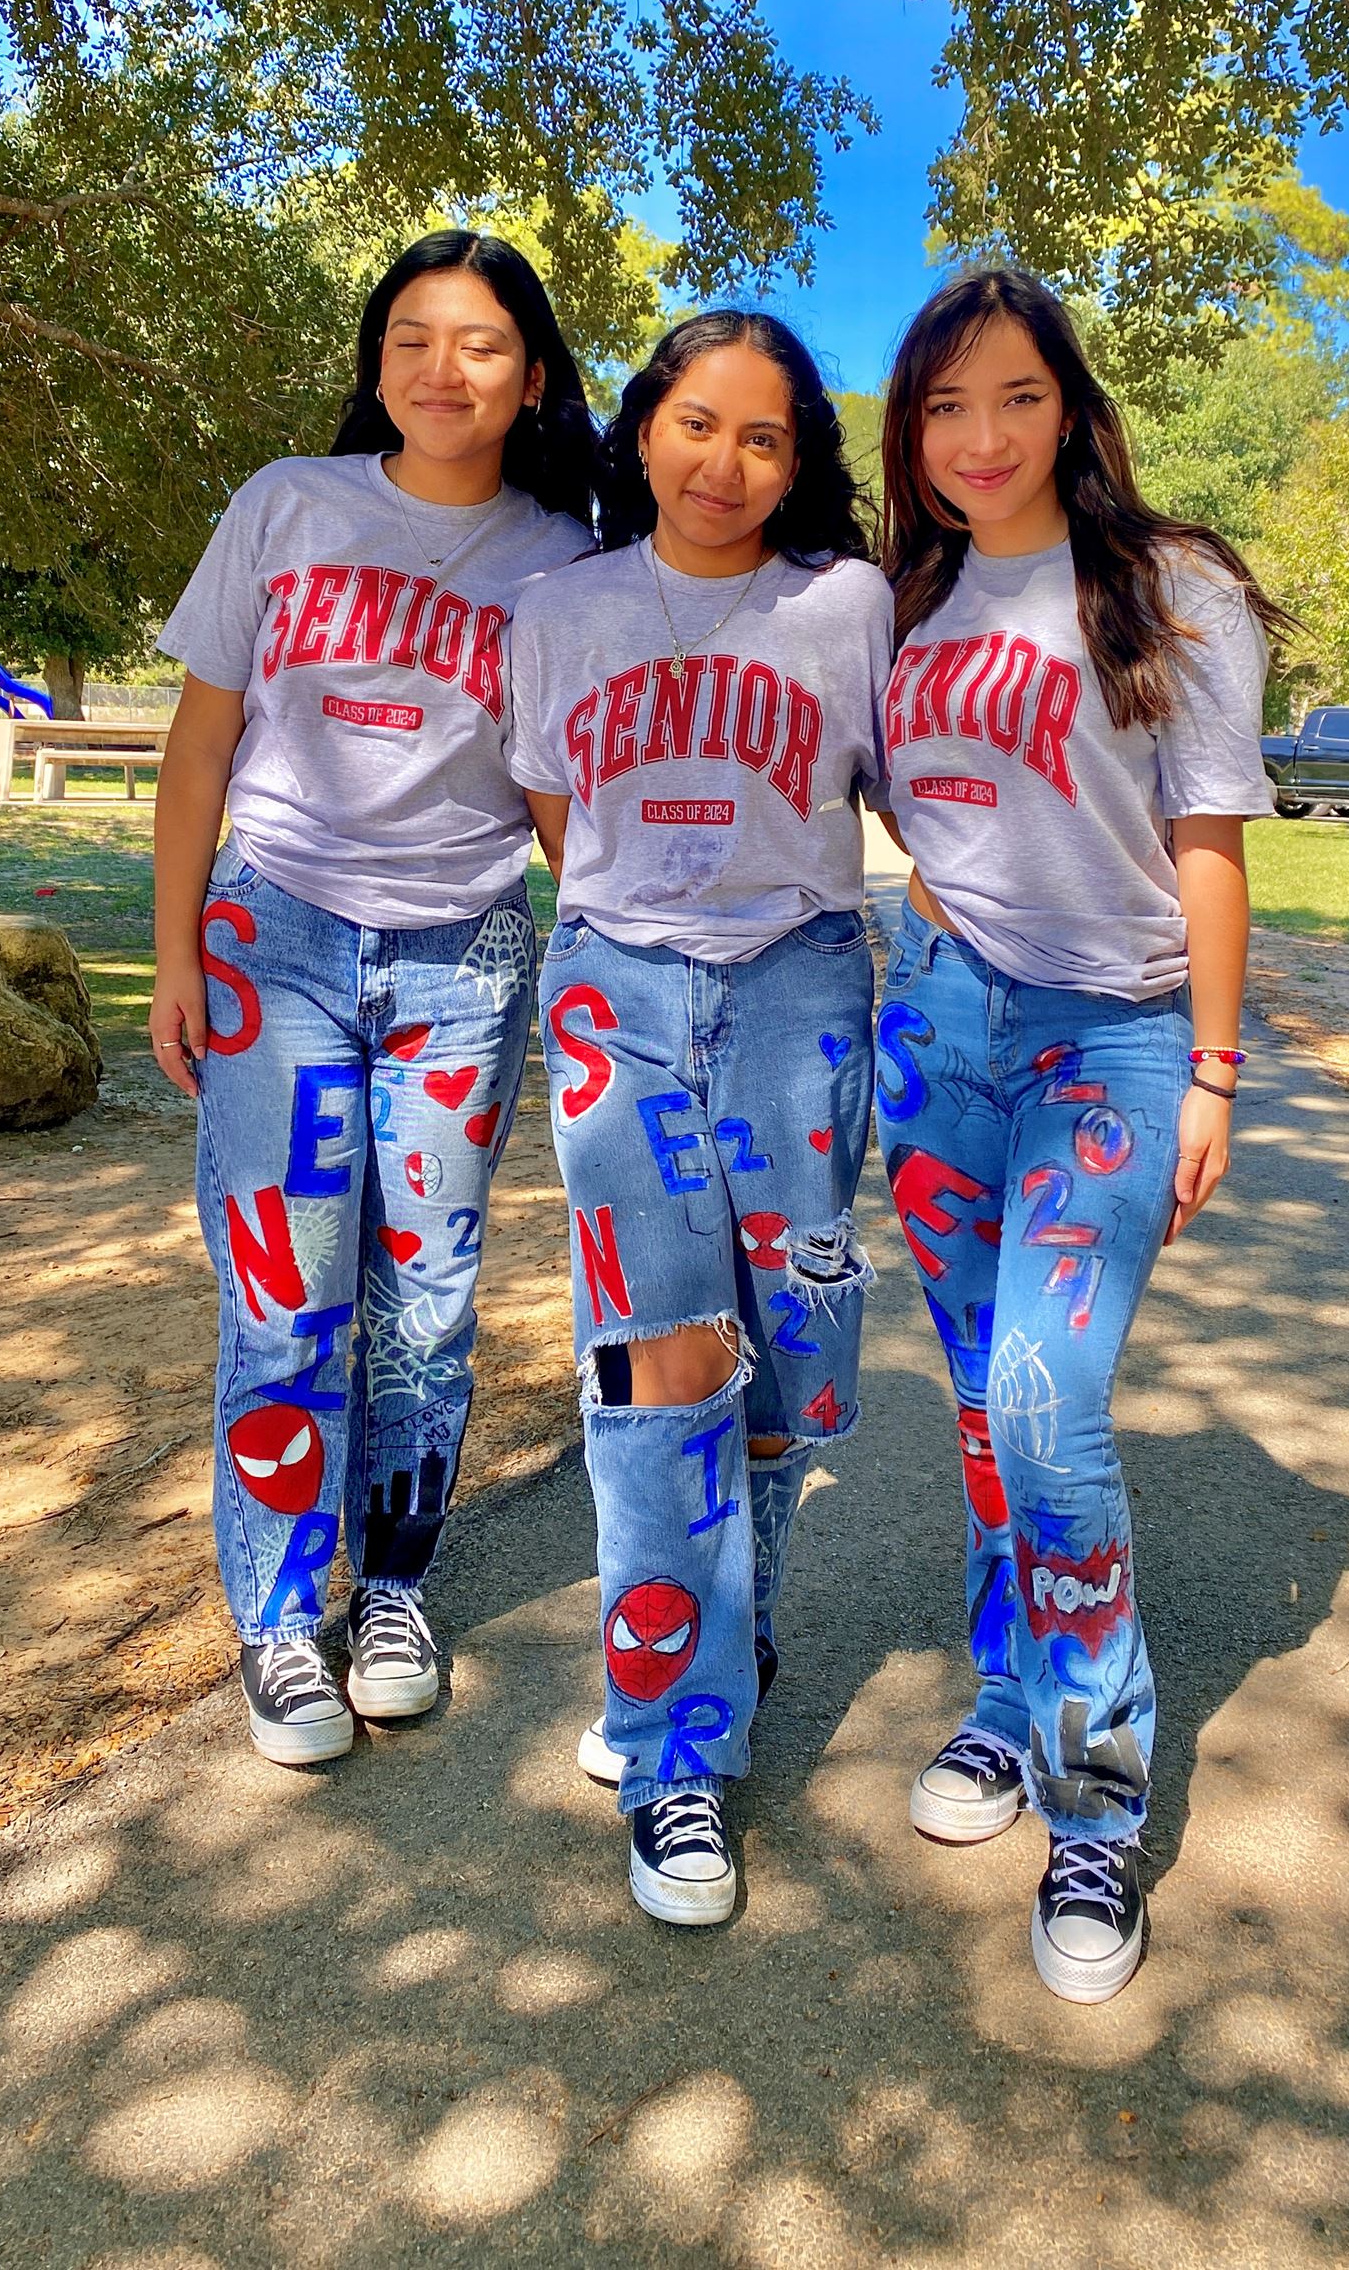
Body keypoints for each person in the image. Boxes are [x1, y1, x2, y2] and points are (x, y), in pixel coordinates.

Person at [873, 268, 1288, 2003]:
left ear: (1071, 407)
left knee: (1047, 1396)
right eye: (944, 407)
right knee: (981, 1395)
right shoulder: (894, 602)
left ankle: (1097, 1799)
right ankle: (1003, 1694)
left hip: (1109, 1046)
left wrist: (1208, 1066)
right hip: (939, 1018)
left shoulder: (1168, 586)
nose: (980, 438)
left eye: (1016, 399)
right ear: (909, 433)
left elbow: (1205, 837)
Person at [149, 231, 597, 1767]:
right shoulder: (288, 505)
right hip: (270, 935)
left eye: (476, 343)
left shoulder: (563, 558)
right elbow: (199, 746)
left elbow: (557, 793)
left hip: (464, 952)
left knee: (429, 1299)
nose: (440, 368)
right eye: (410, 338)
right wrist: (172, 953)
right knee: (286, 1298)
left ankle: (393, 1584)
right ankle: (279, 1619)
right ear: (375, 362)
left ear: (531, 377)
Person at [510, 310, 890, 1926]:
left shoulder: (848, 606)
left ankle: (715, 1625)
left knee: (784, 1364)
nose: (722, 463)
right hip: (618, 992)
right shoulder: (558, 610)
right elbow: (552, 810)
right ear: (640, 430)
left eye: (763, 437)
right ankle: (678, 1751)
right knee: (657, 1359)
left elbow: (908, 795)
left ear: (798, 462)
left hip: (799, 989)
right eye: (692, 423)